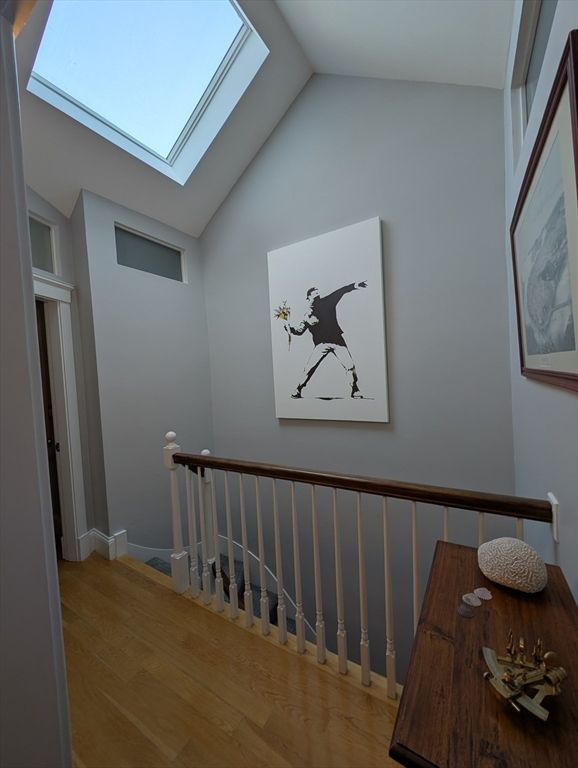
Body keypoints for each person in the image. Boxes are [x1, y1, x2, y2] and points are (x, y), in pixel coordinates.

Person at [285, 281, 367, 398]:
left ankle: (355, 389)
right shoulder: (307, 316)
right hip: (321, 344)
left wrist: (354, 286)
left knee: (350, 366)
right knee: (309, 368)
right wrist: (290, 329)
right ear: (308, 298)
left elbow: (341, 291)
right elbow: (299, 331)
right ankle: (298, 390)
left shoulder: (328, 301)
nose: (317, 295)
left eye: (318, 293)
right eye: (314, 294)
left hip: (337, 341)